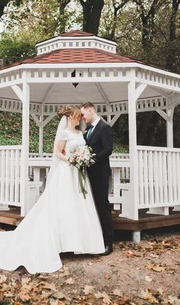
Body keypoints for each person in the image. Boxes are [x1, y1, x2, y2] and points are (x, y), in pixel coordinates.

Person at [0, 106, 105, 274]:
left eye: (80, 116)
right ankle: (61, 243)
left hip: (79, 173)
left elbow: (83, 149)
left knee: (80, 205)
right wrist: (72, 160)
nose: (79, 118)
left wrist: (84, 158)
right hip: (67, 172)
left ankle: (79, 244)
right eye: (76, 116)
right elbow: (58, 153)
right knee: (63, 205)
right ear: (70, 117)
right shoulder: (65, 133)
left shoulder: (81, 134)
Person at [80, 102, 114, 255]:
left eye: (84, 114)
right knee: (91, 206)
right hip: (89, 174)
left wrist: (91, 159)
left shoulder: (104, 127)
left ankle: (108, 243)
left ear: (91, 110)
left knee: (102, 206)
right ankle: (95, 239)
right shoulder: (87, 129)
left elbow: (108, 149)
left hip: (100, 173)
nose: (82, 117)